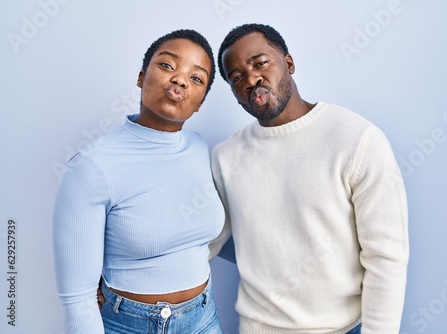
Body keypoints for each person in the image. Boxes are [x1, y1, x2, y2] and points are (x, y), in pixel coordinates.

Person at [208, 23, 409, 334]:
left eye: (260, 63)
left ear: (289, 63)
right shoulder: (226, 157)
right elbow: (203, 241)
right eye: (236, 78)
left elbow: (387, 258)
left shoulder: (357, 139)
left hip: (342, 328)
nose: (251, 79)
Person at [52, 29, 225, 334]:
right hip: (129, 324)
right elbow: (78, 301)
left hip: (203, 318)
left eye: (196, 78)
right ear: (141, 76)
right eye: (167, 66)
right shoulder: (92, 166)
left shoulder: (200, 148)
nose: (180, 80)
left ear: (199, 103)